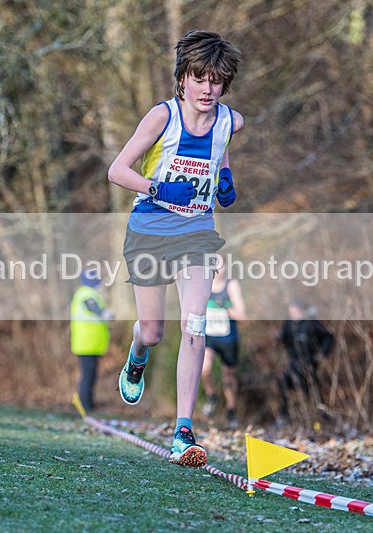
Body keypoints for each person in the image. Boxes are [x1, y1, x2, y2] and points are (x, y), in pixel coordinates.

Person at [107, 30, 243, 467]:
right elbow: (117, 171)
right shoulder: (160, 118)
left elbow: (220, 152)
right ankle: (137, 355)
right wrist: (159, 188)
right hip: (150, 228)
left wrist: (225, 179)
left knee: (196, 324)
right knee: (153, 331)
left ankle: (183, 430)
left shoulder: (230, 121)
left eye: (216, 81)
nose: (208, 89)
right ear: (182, 79)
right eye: (199, 78)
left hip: (198, 233)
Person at [201, 254, 246, 429]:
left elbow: (242, 315)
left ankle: (231, 411)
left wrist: (225, 306)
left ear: (225, 267)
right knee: (205, 368)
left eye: (219, 265)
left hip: (228, 338)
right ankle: (212, 395)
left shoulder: (231, 285)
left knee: (228, 377)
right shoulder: (203, 284)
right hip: (209, 337)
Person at [276, 301, 334, 423]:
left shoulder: (311, 323)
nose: (292, 314)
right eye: (290, 311)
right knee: (282, 383)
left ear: (301, 311)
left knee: (312, 391)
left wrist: (321, 354)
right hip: (294, 364)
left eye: (294, 311)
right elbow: (284, 337)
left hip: (309, 364)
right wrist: (278, 338)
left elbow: (328, 337)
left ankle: (320, 418)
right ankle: (284, 415)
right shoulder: (289, 323)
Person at [71, 270, 113, 413]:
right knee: (88, 376)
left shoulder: (86, 292)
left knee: (90, 375)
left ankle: (88, 405)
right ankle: (85, 406)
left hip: (90, 343)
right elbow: (91, 305)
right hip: (87, 342)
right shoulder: (86, 293)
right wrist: (103, 313)